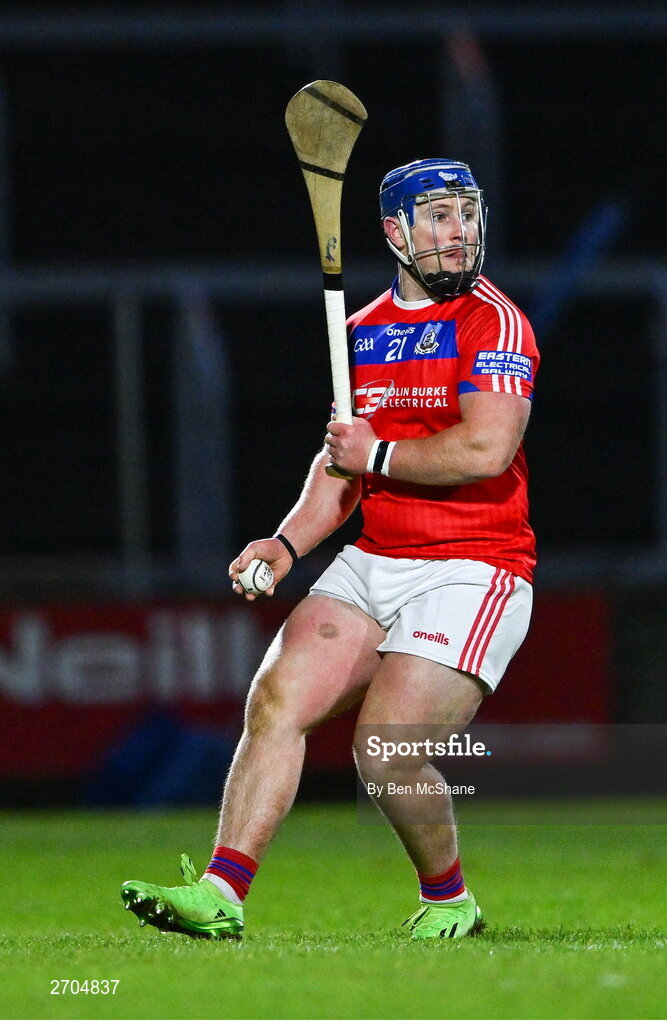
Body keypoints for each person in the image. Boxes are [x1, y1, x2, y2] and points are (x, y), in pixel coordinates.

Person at [121, 158, 539, 940]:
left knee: (383, 754)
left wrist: (372, 454)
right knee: (275, 703)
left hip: (474, 568)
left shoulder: (495, 323)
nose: (461, 234)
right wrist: (286, 542)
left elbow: (484, 450)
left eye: (469, 216)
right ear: (395, 233)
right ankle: (222, 894)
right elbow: (340, 466)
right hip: (375, 558)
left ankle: (450, 901)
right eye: (440, 217)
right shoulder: (362, 330)